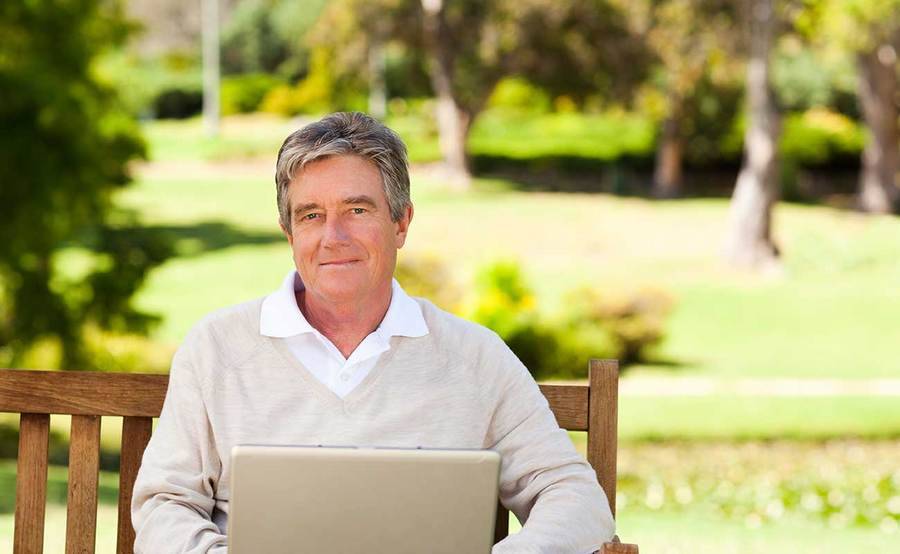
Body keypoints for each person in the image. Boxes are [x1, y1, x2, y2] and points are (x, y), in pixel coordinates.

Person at [131, 111, 615, 553]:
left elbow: (574, 499)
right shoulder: (216, 348)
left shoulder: (475, 359)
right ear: (289, 233)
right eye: (311, 215)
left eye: (357, 210)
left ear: (401, 223)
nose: (333, 237)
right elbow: (164, 505)